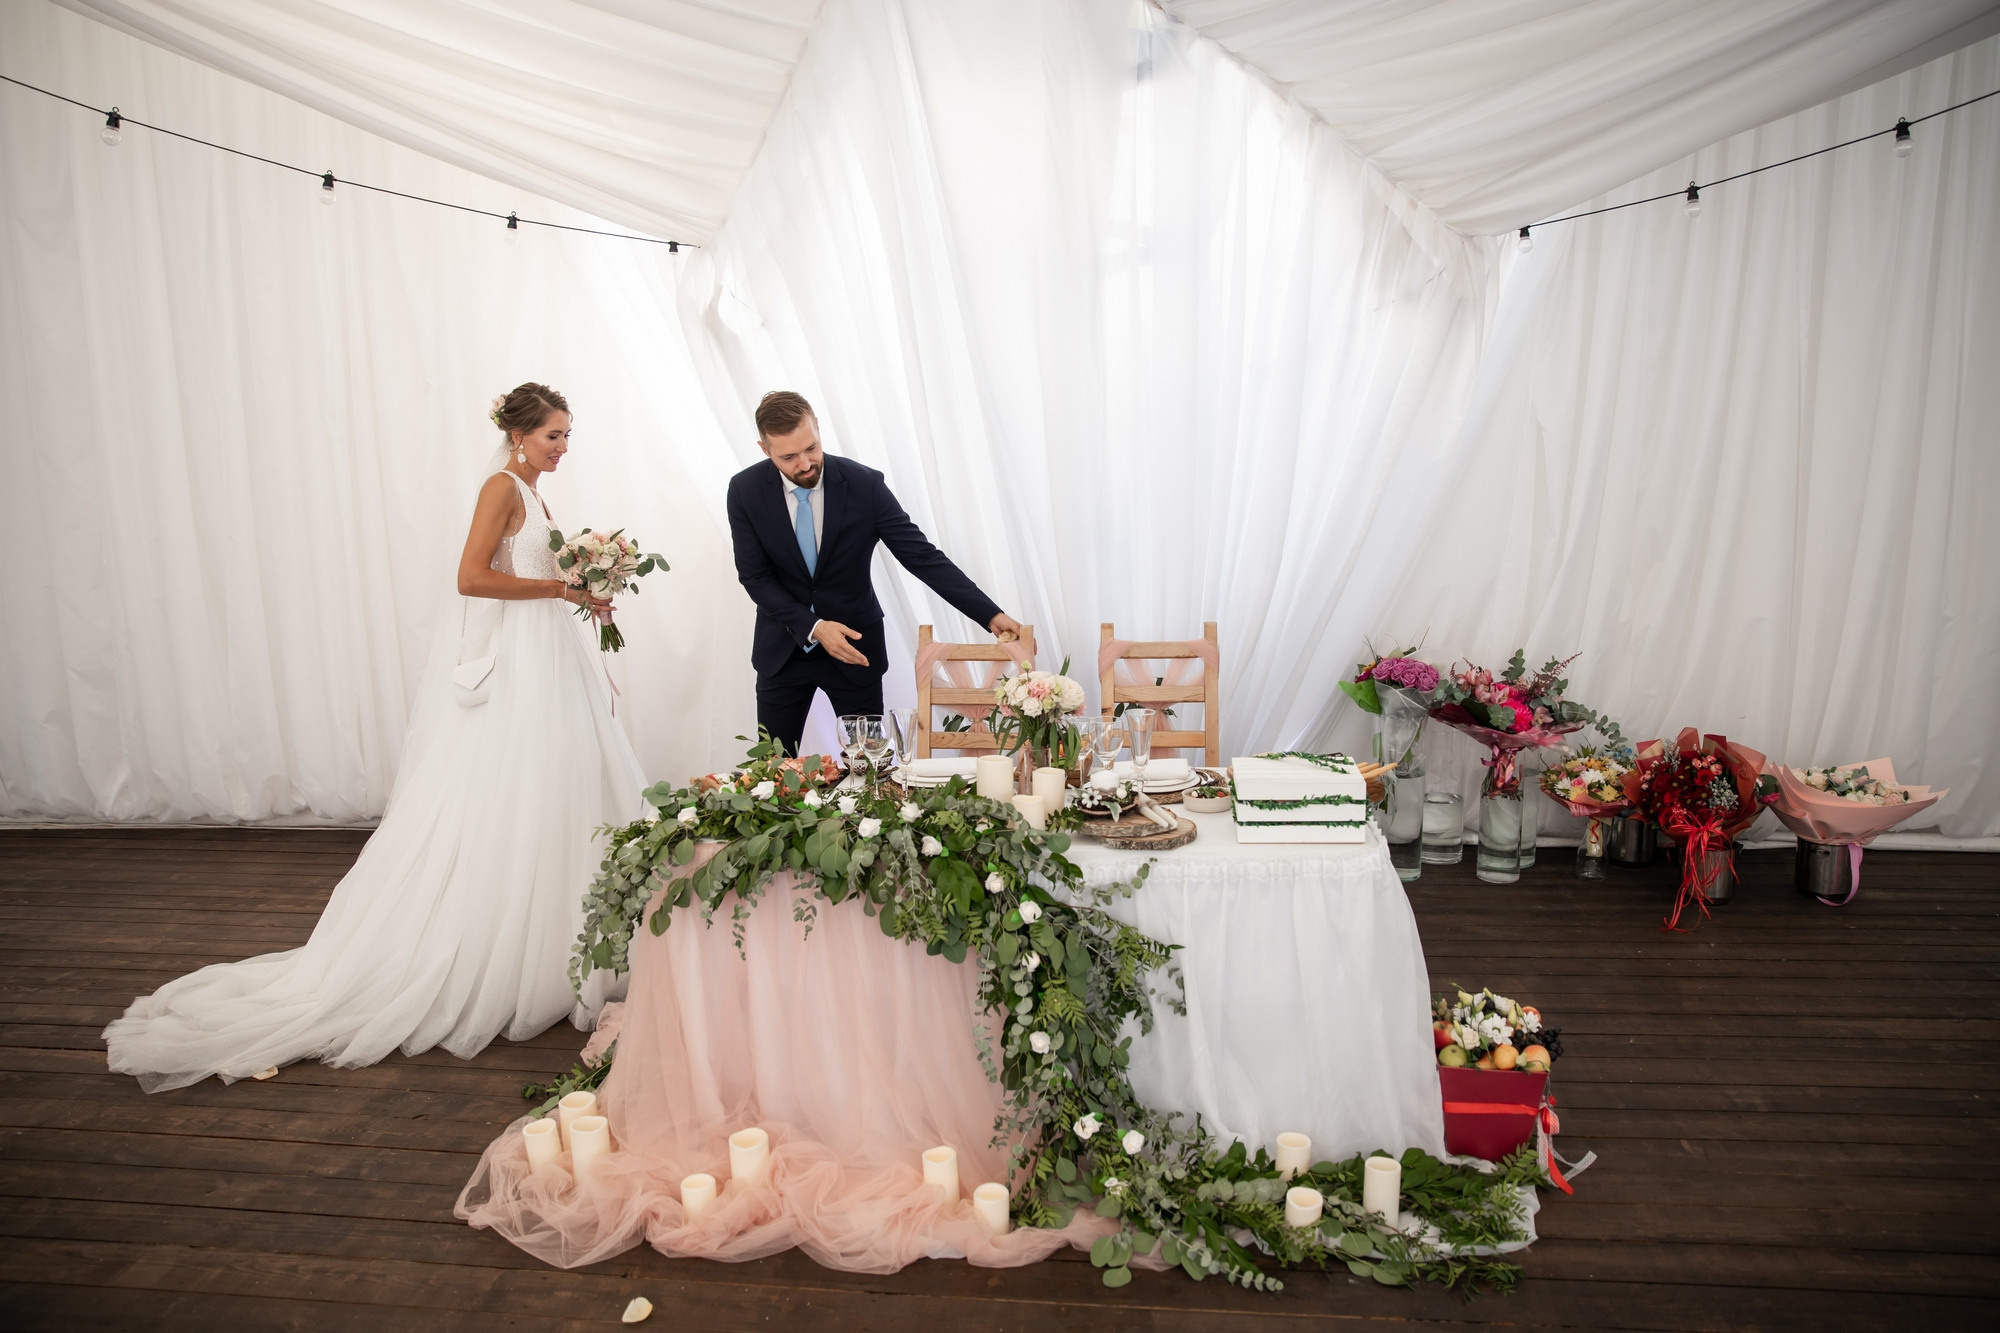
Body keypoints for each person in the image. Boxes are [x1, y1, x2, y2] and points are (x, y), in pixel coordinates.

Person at [104, 384, 647, 1093]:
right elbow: (471, 578)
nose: (564, 446)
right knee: (521, 791)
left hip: (546, 655)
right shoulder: (502, 486)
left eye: (568, 433)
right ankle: (509, 949)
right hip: (522, 664)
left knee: (562, 789)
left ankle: (559, 939)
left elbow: (529, 568)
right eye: (553, 435)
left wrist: (581, 583)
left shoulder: (533, 491)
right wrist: (561, 592)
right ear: (520, 436)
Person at [726, 391, 1022, 756]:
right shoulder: (744, 491)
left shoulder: (864, 485)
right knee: (771, 771)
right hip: (782, 653)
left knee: (869, 772)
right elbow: (755, 577)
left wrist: (990, 614)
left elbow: (921, 556)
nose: (804, 464)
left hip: (855, 653)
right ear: (764, 448)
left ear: (818, 426)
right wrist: (815, 627)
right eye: (788, 457)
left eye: (811, 448)